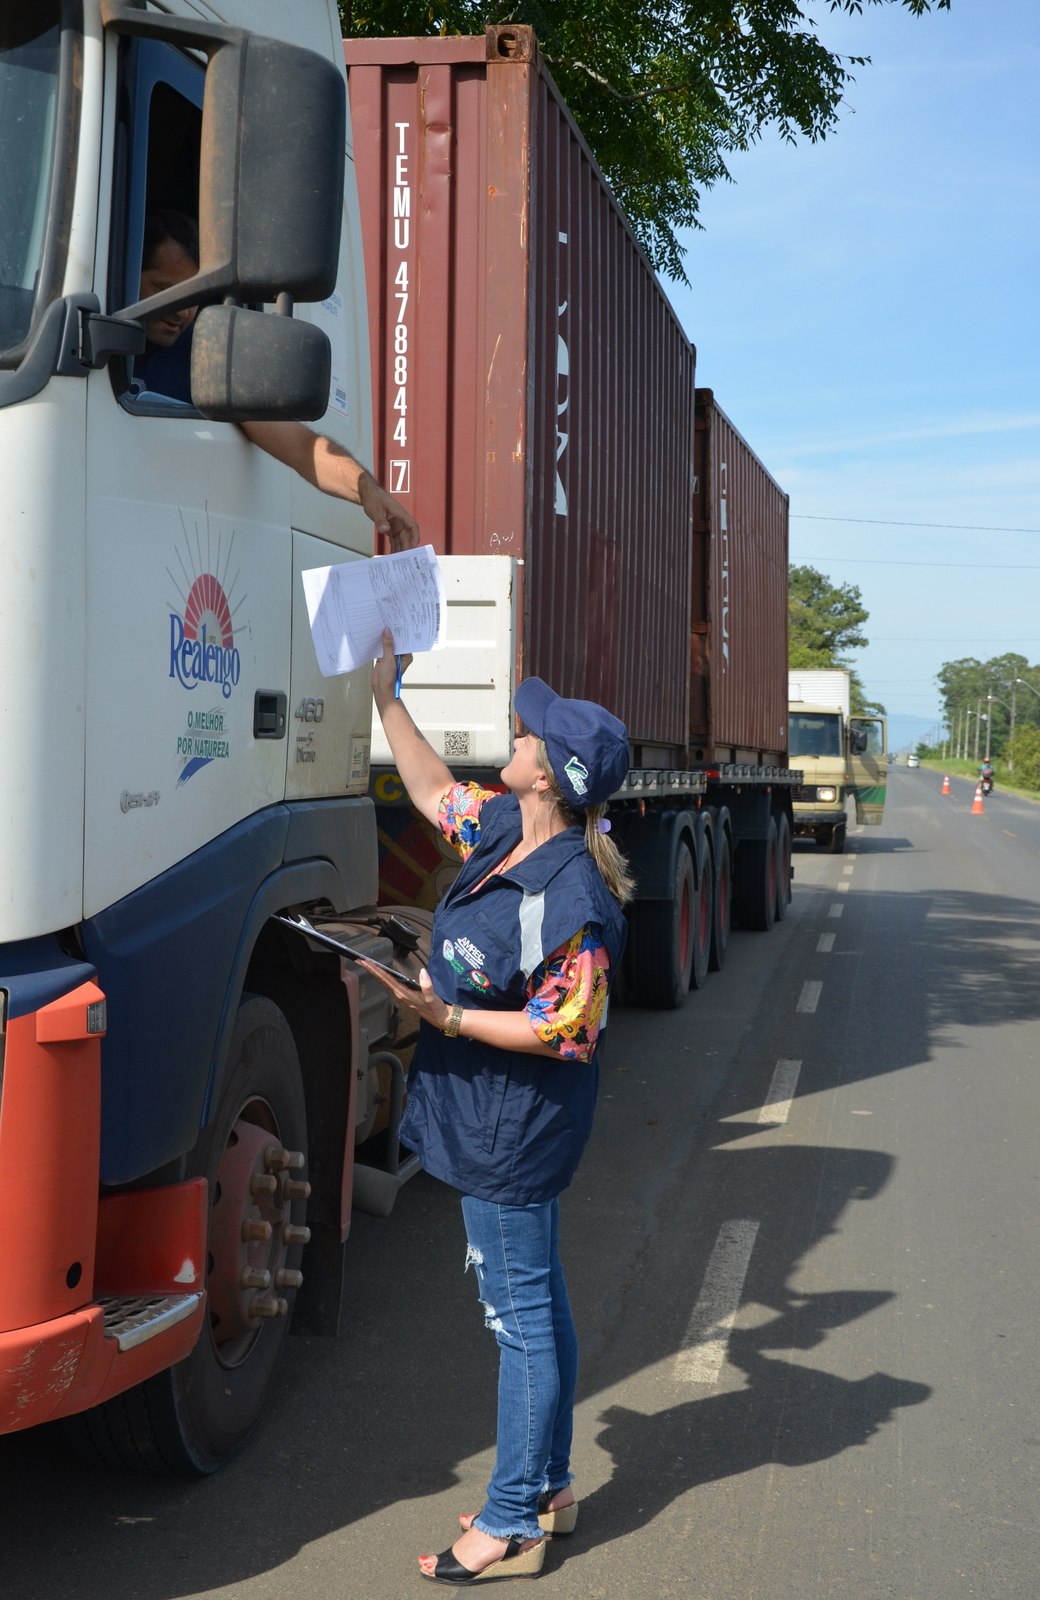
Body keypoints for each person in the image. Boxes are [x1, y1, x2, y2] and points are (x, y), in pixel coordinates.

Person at [368, 631, 633, 1584]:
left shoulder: (571, 894)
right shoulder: (500, 828)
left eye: (531, 735)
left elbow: (568, 1027)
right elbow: (434, 787)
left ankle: (514, 1515)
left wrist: (444, 1013)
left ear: (547, 778)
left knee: (514, 1314)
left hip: (513, 1126)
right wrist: (384, 697)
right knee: (537, 1297)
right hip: (489, 1109)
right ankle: (552, 1483)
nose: (517, 732)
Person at [131, 209, 419, 551]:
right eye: (164, 290)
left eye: (191, 298)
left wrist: (367, 489)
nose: (181, 312)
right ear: (128, 274)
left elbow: (300, 446)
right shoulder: (88, 341)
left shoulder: (207, 353)